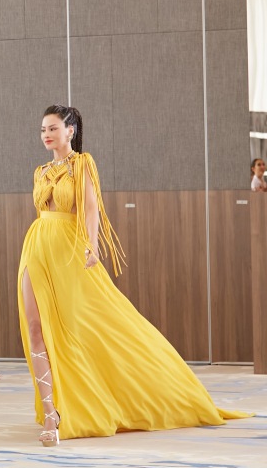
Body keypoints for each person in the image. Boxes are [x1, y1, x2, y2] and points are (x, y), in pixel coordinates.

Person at [19, 104, 250, 446]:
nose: (46, 135)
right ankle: (52, 414)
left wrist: (92, 245)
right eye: (43, 129)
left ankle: (151, 390)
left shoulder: (83, 163)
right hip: (37, 247)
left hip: (69, 250)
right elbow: (43, 211)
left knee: (86, 327)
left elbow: (91, 208)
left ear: (70, 131)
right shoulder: (40, 171)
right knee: (35, 327)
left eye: (53, 128)